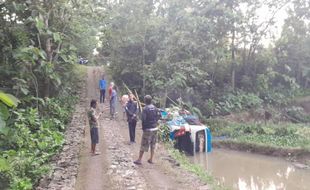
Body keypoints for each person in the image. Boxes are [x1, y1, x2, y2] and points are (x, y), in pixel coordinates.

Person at [134, 95, 161, 165]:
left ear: (145, 101)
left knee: (144, 144)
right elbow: (159, 116)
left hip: (148, 129)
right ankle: (151, 159)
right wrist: (155, 121)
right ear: (151, 100)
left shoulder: (145, 109)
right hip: (155, 128)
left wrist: (143, 128)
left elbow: (143, 119)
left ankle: (139, 159)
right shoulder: (155, 108)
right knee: (153, 144)